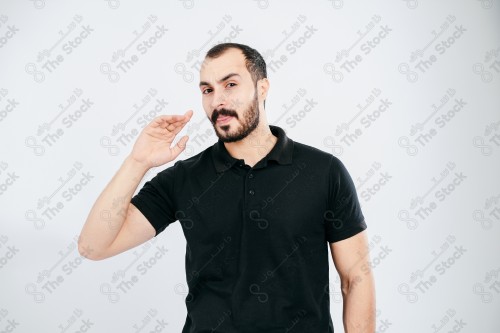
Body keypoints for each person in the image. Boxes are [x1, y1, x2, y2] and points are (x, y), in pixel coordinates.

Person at [79, 42, 376, 333]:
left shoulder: (323, 171)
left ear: (262, 88)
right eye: (207, 90)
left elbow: (355, 278)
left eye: (230, 85)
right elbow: (94, 246)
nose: (217, 100)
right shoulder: (184, 178)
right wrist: (137, 161)